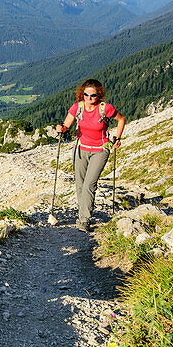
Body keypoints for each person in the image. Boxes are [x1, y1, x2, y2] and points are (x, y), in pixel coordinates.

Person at [55, 78, 125, 232]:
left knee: (89, 185)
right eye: (86, 95)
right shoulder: (77, 107)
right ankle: (85, 213)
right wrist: (61, 128)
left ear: (98, 95)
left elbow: (121, 119)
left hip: (100, 150)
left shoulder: (105, 108)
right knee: (80, 185)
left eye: (92, 95)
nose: (89, 98)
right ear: (82, 94)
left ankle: (84, 221)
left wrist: (118, 138)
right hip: (81, 149)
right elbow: (67, 125)